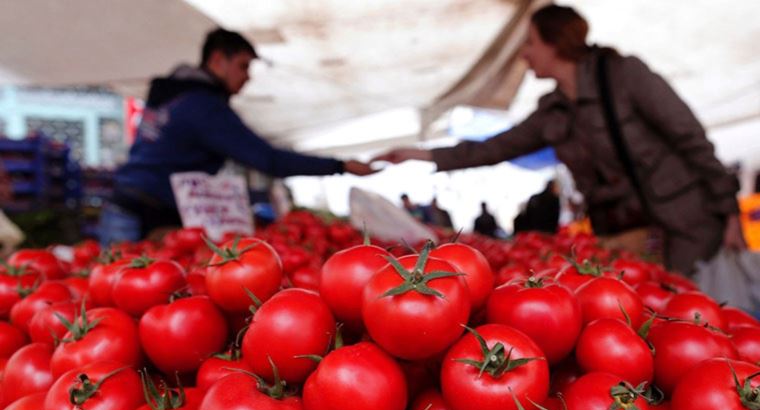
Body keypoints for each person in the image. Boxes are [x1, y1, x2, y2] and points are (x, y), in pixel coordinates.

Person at [373, 4, 743, 275]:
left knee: (700, 310)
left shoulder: (623, 75)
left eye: (531, 43)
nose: (524, 54)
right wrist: (420, 155)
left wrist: (728, 212)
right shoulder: (553, 111)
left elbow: (690, 138)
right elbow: (494, 148)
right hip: (624, 234)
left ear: (556, 43)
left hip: (684, 225)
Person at [99, 28, 373, 244]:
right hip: (144, 211)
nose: (248, 77)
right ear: (218, 60)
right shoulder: (203, 106)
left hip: (130, 203)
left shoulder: (173, 93)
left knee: (122, 291)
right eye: (243, 66)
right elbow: (267, 159)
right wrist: (340, 166)